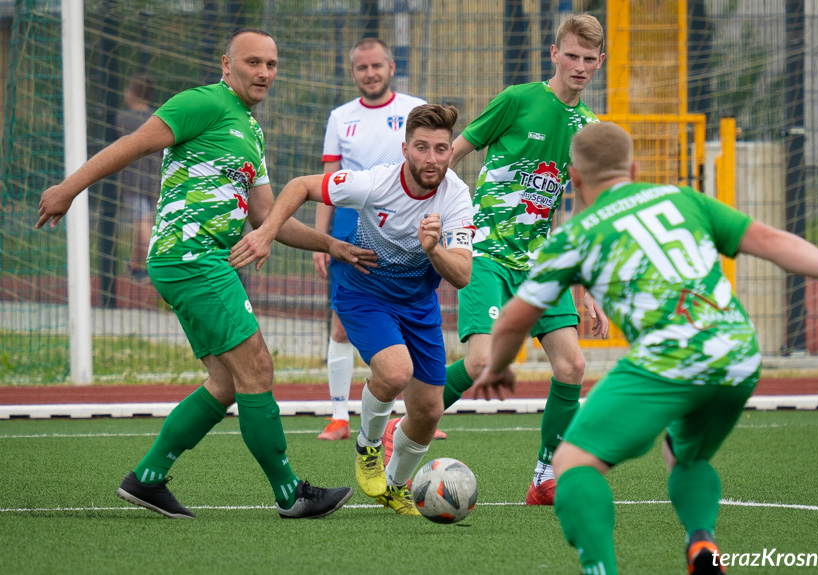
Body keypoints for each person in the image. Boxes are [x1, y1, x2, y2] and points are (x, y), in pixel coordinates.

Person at [473, 122, 818, 574]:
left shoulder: (574, 236)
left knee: (572, 463)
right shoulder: (684, 199)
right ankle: (701, 542)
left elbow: (516, 318)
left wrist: (498, 366)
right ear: (633, 169)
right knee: (685, 455)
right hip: (738, 353)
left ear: (574, 179)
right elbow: (772, 242)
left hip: (670, 357)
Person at [36, 28, 378, 520]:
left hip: (204, 260)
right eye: (253, 62)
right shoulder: (202, 102)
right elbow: (133, 145)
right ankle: (291, 494)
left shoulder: (250, 129)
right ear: (227, 65)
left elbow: (266, 217)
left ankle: (147, 478)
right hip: (189, 256)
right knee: (257, 367)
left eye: (271, 65)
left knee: (224, 382)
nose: (264, 73)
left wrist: (330, 244)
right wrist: (70, 188)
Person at [230, 104, 474, 515]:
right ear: (405, 149)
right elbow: (301, 186)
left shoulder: (456, 195)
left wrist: (433, 250)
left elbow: (463, 273)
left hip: (418, 303)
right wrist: (267, 233)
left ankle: (396, 486)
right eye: (421, 148)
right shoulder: (374, 183)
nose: (431, 159)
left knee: (429, 410)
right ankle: (368, 445)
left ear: (451, 152)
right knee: (396, 371)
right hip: (364, 294)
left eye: (440, 149)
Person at [440, 13, 609, 506]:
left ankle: (543, 475)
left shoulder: (590, 129)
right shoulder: (516, 100)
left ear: (600, 63)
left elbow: (579, 218)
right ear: (554, 54)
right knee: (480, 361)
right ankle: (410, 423)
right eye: (571, 55)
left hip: (542, 264)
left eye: (588, 59)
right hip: (485, 252)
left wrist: (587, 290)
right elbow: (452, 154)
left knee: (573, 366)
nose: (579, 66)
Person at [314, 38, 445, 442]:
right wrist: (321, 239)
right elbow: (325, 182)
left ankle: (414, 414)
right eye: (361, 68)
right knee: (342, 323)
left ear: (391, 66)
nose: (370, 73)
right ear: (352, 72)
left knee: (411, 309)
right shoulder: (340, 117)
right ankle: (339, 417)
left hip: (407, 223)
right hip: (353, 227)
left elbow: (434, 166)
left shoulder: (413, 107)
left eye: (376, 66)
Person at [116, 74, 161, 282]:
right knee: (143, 222)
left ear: (132, 93)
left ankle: (158, 264)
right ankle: (136, 267)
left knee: (142, 223)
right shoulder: (156, 118)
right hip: (154, 179)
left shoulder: (122, 118)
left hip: (133, 180)